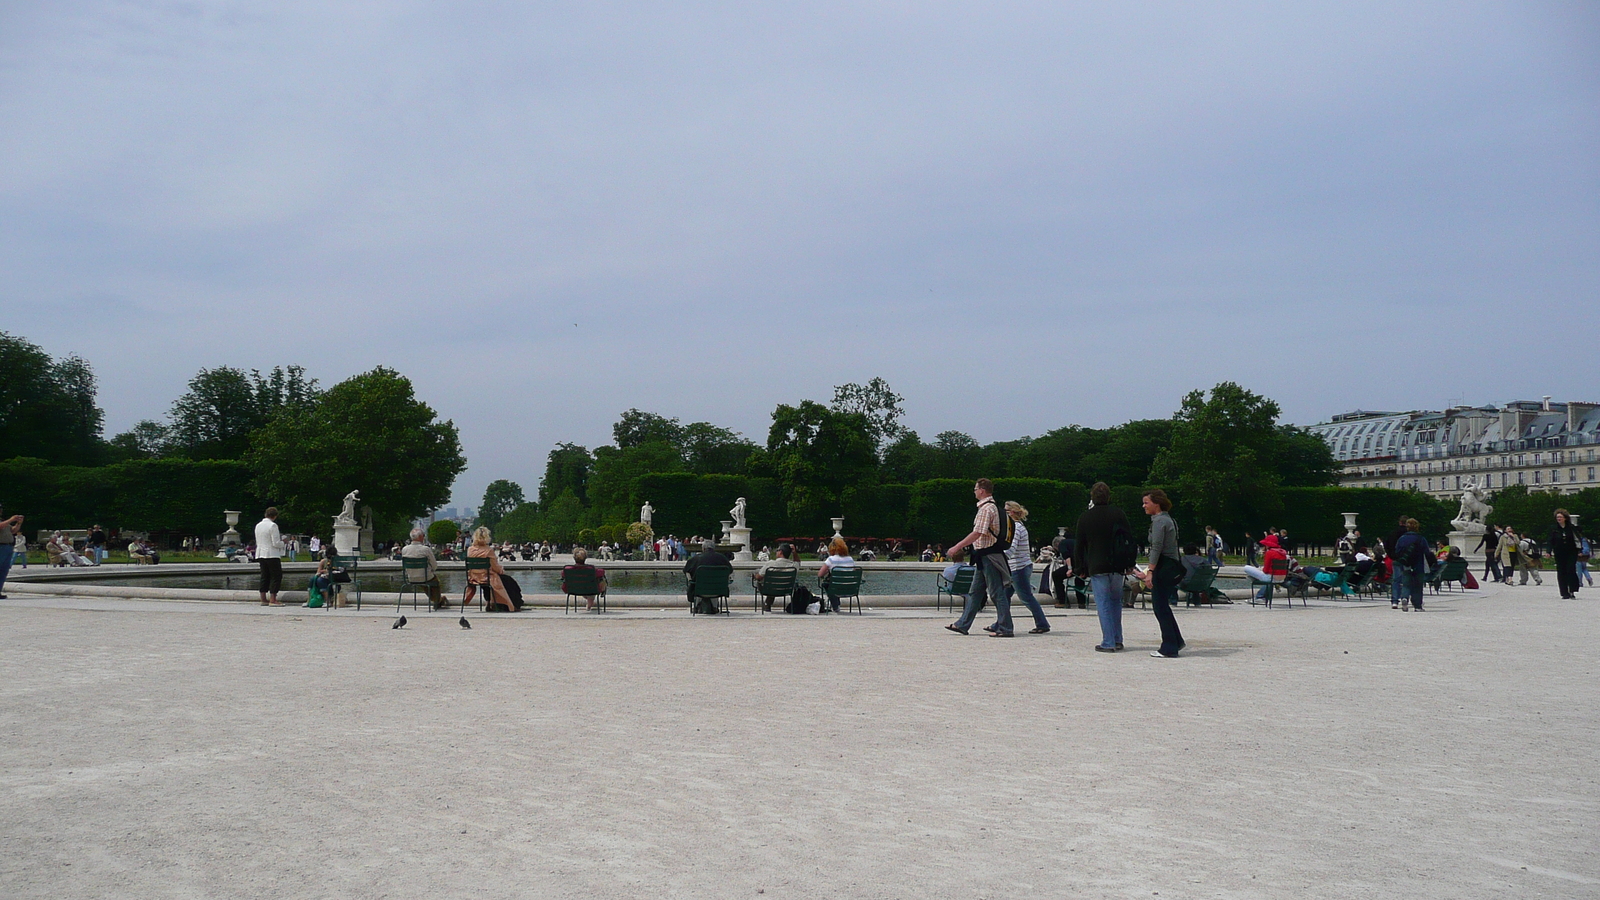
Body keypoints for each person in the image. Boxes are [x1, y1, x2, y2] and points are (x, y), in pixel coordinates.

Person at [945, 478, 1014, 638]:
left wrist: (957, 547)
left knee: (996, 593)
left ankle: (1006, 628)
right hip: (986, 556)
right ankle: (962, 624)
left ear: (982, 490)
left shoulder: (986, 509)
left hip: (988, 556)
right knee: (975, 592)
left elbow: (978, 533)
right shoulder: (994, 508)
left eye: (975, 489)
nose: (974, 491)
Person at [1072, 482, 1131, 651]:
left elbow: (1080, 546)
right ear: (1109, 496)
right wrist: (1129, 563)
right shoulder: (1118, 514)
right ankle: (1118, 638)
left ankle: (1108, 641)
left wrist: (1079, 568)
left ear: (1092, 497)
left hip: (1097, 565)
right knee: (1115, 603)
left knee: (1103, 603)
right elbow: (1129, 539)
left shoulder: (1085, 517)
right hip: (1117, 564)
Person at [1136, 489, 1186, 658]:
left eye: (1146, 502)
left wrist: (1149, 571)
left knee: (1159, 606)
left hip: (1163, 565)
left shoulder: (1159, 521)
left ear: (1156, 504)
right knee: (1163, 605)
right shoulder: (1168, 519)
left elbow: (1156, 547)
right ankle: (1176, 640)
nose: (1144, 506)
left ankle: (1169, 646)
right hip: (1169, 564)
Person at [1001, 501, 1051, 634]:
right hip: (1016, 567)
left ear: (1012, 512)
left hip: (1018, 568)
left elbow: (1011, 548)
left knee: (1026, 597)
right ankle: (999, 623)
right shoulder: (1017, 526)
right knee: (1004, 597)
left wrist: (999, 558)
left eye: (1006, 511)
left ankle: (1042, 623)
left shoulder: (1015, 528)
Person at [465, 526, 520, 611]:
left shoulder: (470, 549)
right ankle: (510, 604)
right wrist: (501, 570)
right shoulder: (488, 550)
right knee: (509, 581)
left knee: (486, 581)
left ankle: (489, 602)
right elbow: (495, 567)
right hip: (486, 576)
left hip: (474, 577)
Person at [1391, 518, 1432, 612]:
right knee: (1417, 586)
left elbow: (1397, 551)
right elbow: (1427, 552)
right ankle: (1417, 606)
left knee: (1405, 584)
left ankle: (1404, 598)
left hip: (1406, 564)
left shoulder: (1402, 538)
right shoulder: (1421, 538)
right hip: (1418, 564)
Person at [400, 527, 446, 609]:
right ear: (420, 537)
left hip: (411, 578)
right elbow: (434, 565)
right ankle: (437, 600)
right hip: (425, 577)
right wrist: (432, 570)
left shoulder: (404, 549)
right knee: (435, 581)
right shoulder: (425, 549)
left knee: (424, 582)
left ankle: (437, 600)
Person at [683, 538, 732, 614]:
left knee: (696, 581)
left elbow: (686, 571)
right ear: (714, 548)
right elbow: (730, 570)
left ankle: (696, 606)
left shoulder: (695, 559)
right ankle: (715, 607)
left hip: (699, 590)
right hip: (719, 590)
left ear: (703, 548)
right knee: (714, 581)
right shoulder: (722, 558)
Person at [1548, 509, 1584, 599]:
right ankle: (1564, 592)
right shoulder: (1554, 529)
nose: (1558, 518)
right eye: (1557, 517)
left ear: (1565, 518)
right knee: (1561, 572)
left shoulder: (1571, 527)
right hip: (1559, 553)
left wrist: (1579, 550)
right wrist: (1549, 551)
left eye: (1560, 517)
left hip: (1571, 552)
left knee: (1570, 569)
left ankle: (1572, 590)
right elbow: (1550, 541)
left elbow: (1578, 536)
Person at [754, 543, 799, 612]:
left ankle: (767, 604)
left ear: (780, 552)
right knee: (774, 582)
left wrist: (755, 575)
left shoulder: (770, 564)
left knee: (763, 581)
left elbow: (759, 577)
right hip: (786, 590)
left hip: (770, 590)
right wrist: (794, 552)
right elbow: (797, 561)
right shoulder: (793, 566)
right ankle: (767, 603)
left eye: (777, 550)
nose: (776, 552)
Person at [254, 507, 285, 606]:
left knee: (264, 576)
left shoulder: (258, 525)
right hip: (272, 554)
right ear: (275, 516)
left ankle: (263, 598)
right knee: (276, 576)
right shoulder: (273, 526)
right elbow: (275, 543)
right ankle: (273, 599)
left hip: (260, 553)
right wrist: (283, 543)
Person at [1244, 534, 1289, 601]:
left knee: (1246, 568)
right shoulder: (1283, 553)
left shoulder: (1270, 553)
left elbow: (1265, 570)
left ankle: (1259, 595)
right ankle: (1261, 593)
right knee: (1263, 577)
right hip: (1282, 578)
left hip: (1271, 578)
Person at [817, 537, 856, 614]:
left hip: (836, 588)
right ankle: (836, 604)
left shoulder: (831, 559)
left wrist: (828, 571)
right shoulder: (850, 559)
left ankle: (835, 605)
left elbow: (820, 574)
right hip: (849, 588)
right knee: (835, 583)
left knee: (826, 584)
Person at [563, 547, 608, 611]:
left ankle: (590, 603)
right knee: (599, 582)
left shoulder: (567, 569)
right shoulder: (591, 569)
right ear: (585, 558)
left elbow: (562, 575)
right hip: (590, 589)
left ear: (574, 558)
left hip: (574, 589)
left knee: (585, 586)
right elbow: (602, 572)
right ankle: (589, 605)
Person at [0, 506, 21, 599]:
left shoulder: (3, 521)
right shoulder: (4, 522)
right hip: (0, 546)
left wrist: (18, 523)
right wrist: (11, 519)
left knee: (4, 570)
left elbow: (12, 531)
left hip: (8, 546)